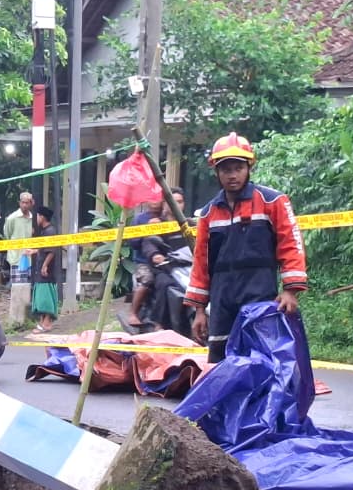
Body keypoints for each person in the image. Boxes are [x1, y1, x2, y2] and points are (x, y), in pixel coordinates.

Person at [187, 132, 307, 364]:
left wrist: (290, 291)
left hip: (260, 291)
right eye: (225, 169)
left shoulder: (273, 201)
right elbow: (201, 263)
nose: (232, 175)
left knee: (261, 359)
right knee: (221, 362)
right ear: (216, 172)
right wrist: (199, 310)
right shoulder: (208, 213)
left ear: (248, 168)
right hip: (222, 297)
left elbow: (291, 244)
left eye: (238, 168)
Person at [137, 189, 191, 334]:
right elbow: (148, 243)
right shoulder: (156, 223)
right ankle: (159, 324)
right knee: (165, 284)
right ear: (164, 204)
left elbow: (202, 240)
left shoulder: (189, 223)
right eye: (172, 201)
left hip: (187, 267)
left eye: (179, 202)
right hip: (164, 267)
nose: (176, 205)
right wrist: (155, 254)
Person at [126, 197, 164, 328]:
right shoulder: (139, 219)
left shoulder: (168, 218)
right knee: (147, 280)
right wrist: (147, 229)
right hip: (144, 262)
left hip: (168, 261)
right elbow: (133, 243)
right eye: (152, 199)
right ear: (147, 201)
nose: (155, 202)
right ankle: (133, 312)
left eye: (158, 199)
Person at [29, 206, 59, 334]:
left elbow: (51, 251)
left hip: (46, 271)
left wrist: (45, 265)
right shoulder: (45, 231)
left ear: (42, 217)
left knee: (45, 298)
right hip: (41, 269)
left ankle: (46, 323)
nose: (36, 219)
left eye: (37, 216)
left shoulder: (50, 231)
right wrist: (33, 251)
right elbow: (44, 249)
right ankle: (43, 322)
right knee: (40, 297)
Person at [4, 192, 36, 284]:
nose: (25, 205)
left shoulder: (33, 218)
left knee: (30, 286)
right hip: (17, 257)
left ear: (31, 203)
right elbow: (7, 235)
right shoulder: (12, 218)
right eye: (23, 202)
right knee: (18, 287)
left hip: (30, 257)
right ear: (19, 203)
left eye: (27, 203)